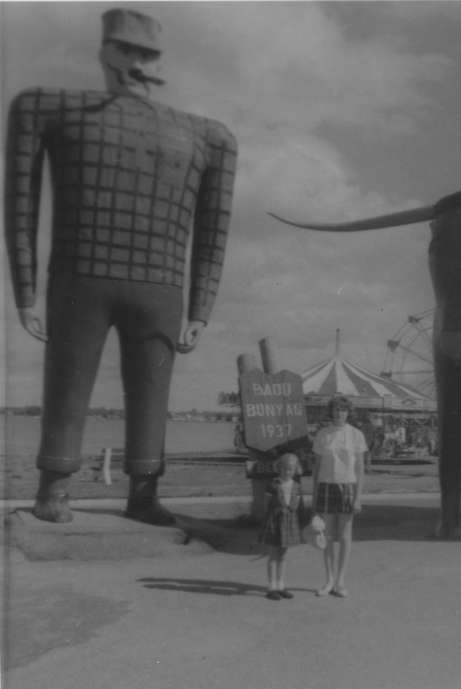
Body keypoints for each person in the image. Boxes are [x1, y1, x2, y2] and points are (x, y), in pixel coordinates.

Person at [4, 8, 237, 525]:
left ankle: (144, 493)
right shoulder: (46, 108)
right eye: (126, 49)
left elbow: (213, 229)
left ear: (157, 60)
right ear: (104, 51)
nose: (135, 61)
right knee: (66, 382)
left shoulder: (210, 137)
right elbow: (19, 202)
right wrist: (24, 290)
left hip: (159, 285)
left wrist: (201, 306)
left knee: (152, 388)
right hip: (81, 276)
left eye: (145, 52)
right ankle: (55, 488)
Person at [311, 396, 367, 598]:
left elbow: (360, 469)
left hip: (348, 486)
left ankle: (341, 581)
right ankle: (329, 580)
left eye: (343, 410)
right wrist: (315, 496)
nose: (339, 414)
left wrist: (358, 497)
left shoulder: (356, 435)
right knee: (325, 536)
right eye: (335, 410)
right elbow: (316, 468)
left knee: (344, 536)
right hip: (326, 486)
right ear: (331, 412)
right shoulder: (322, 435)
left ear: (348, 413)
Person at [258, 453, 306, 601]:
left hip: (289, 523)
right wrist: (273, 514)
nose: (287, 472)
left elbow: (296, 504)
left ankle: (281, 585)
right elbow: (266, 503)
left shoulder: (297, 486)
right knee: (273, 555)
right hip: (274, 521)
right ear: (279, 468)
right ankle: (271, 587)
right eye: (284, 469)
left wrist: (289, 511)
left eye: (290, 469)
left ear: (296, 469)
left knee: (283, 555)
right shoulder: (273, 485)